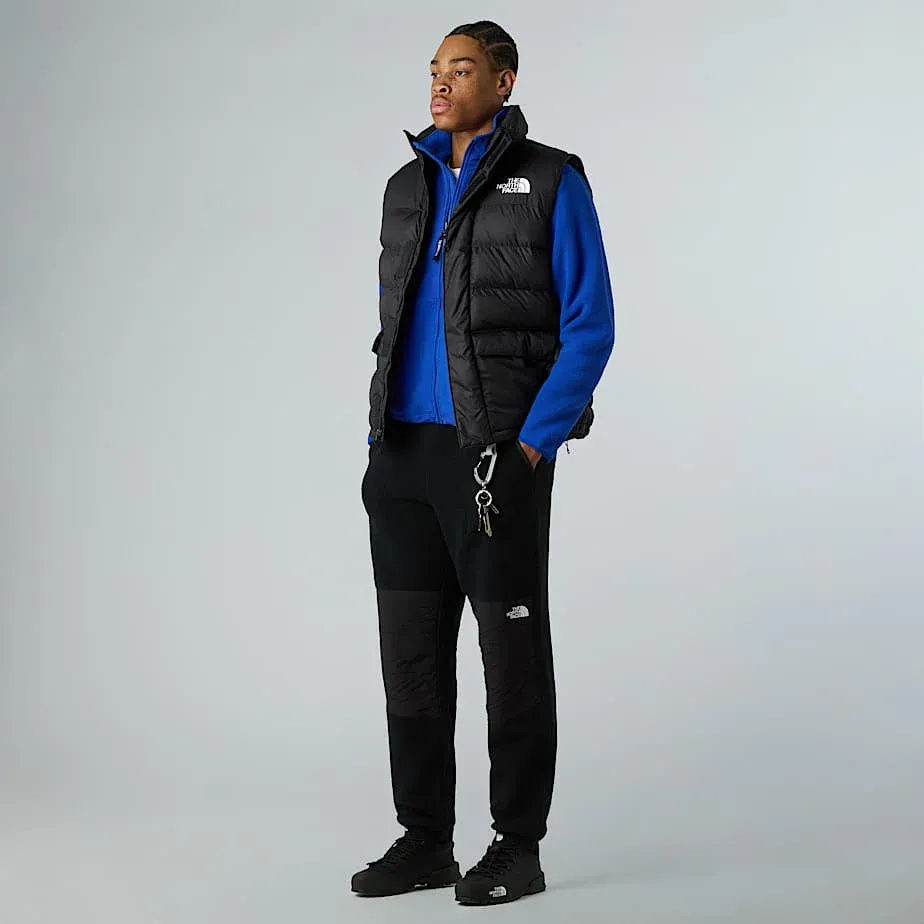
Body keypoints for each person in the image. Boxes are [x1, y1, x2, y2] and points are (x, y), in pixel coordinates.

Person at [352, 20, 615, 907]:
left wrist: (532, 445)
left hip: (496, 455)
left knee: (510, 653)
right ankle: (425, 839)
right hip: (405, 459)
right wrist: (377, 446)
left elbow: (591, 327)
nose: (440, 83)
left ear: (503, 82)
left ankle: (517, 847)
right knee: (411, 655)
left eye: (460, 69)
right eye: (434, 69)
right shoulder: (405, 186)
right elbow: (396, 324)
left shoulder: (552, 179)